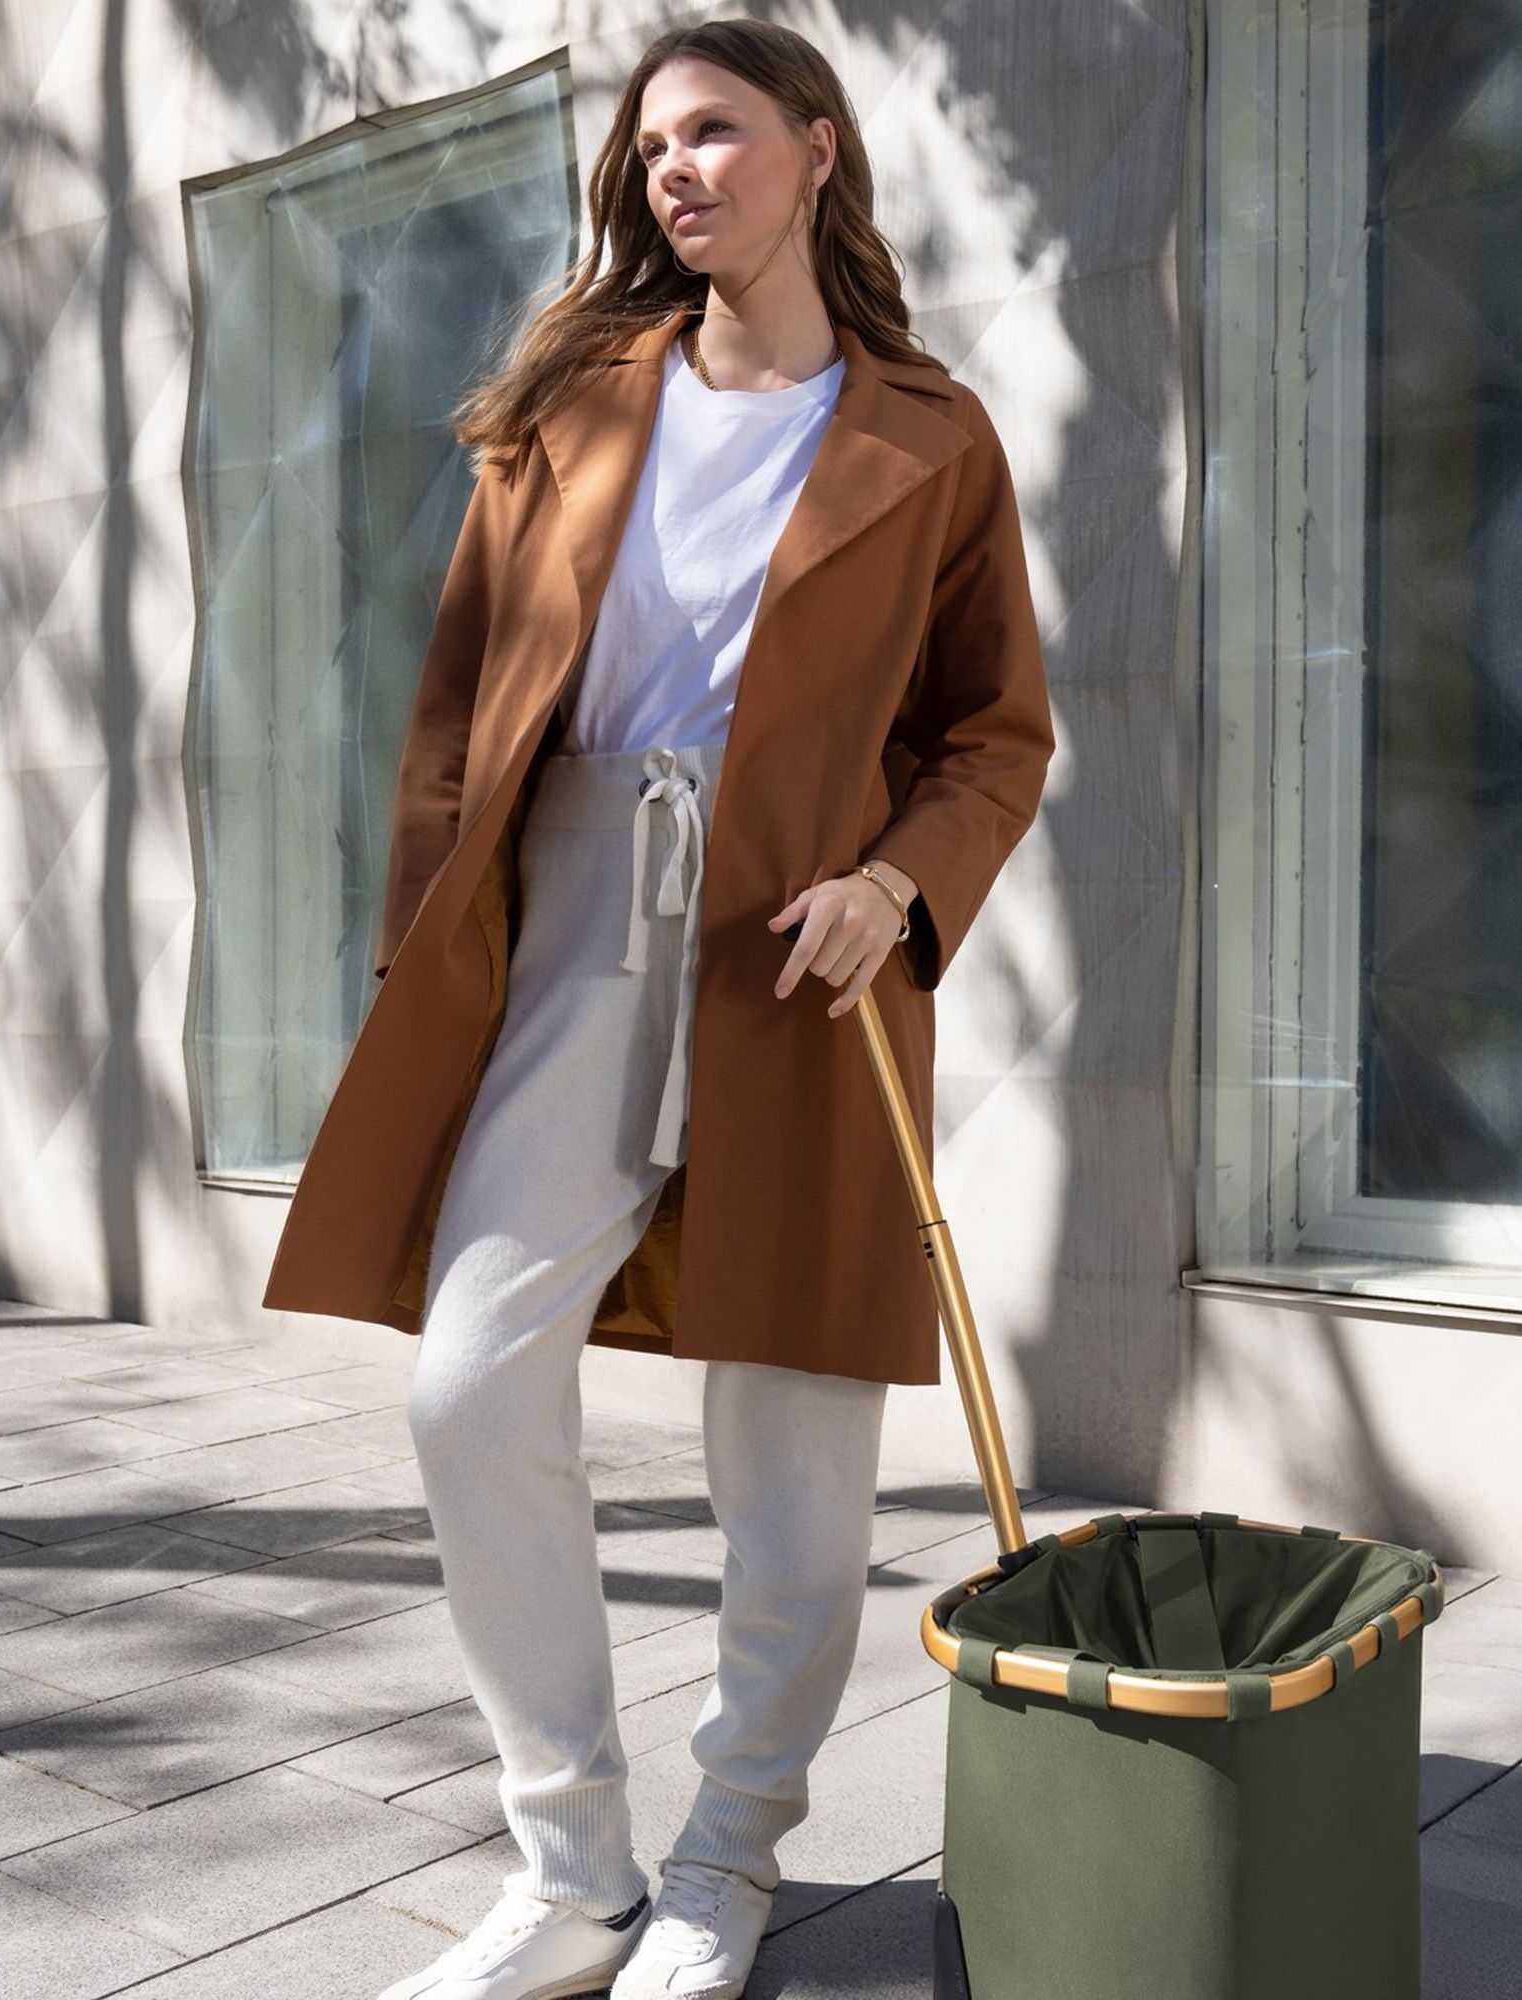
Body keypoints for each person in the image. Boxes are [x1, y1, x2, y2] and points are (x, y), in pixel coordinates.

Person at [372, 18, 1052, 2000]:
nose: (674, 169)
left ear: (815, 154)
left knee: (793, 1468)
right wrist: (432, 946)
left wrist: (899, 881)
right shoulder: (569, 407)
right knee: (469, 1383)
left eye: (715, 132)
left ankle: (728, 1854)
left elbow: (991, 731)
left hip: (800, 950)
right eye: (650, 145)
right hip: (572, 910)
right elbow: (453, 712)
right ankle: (568, 1863)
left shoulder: (929, 437)